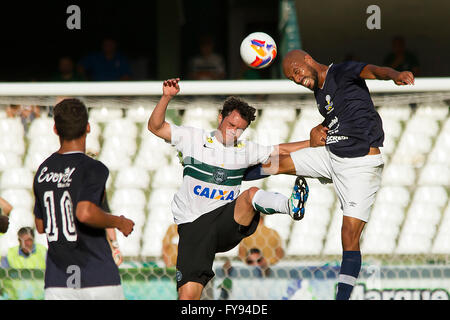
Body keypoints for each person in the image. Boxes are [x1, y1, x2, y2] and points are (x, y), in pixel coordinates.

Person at [244, 49, 415, 300]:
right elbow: (336, 119)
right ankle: (233, 174)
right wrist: (318, 129)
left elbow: (374, 70)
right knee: (276, 163)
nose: (298, 80)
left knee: (348, 235)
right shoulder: (319, 93)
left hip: (360, 164)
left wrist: (395, 74)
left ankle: (342, 297)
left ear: (307, 60)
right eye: (293, 80)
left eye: (297, 72)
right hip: (330, 155)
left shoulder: (342, 72)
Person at [147, 78, 310, 300]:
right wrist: (166, 97)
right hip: (194, 226)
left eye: (240, 129)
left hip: (226, 224)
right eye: (231, 125)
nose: (234, 132)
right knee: (188, 297)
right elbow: (155, 127)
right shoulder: (192, 138)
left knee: (251, 195)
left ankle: (290, 206)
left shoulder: (245, 150)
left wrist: (313, 142)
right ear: (220, 118)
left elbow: (279, 150)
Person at [32, 98, 135, 300]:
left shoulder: (43, 170)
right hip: (97, 275)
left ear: (55, 129)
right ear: (88, 127)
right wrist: (119, 222)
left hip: (58, 280)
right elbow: (85, 212)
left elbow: (41, 225)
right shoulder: (93, 167)